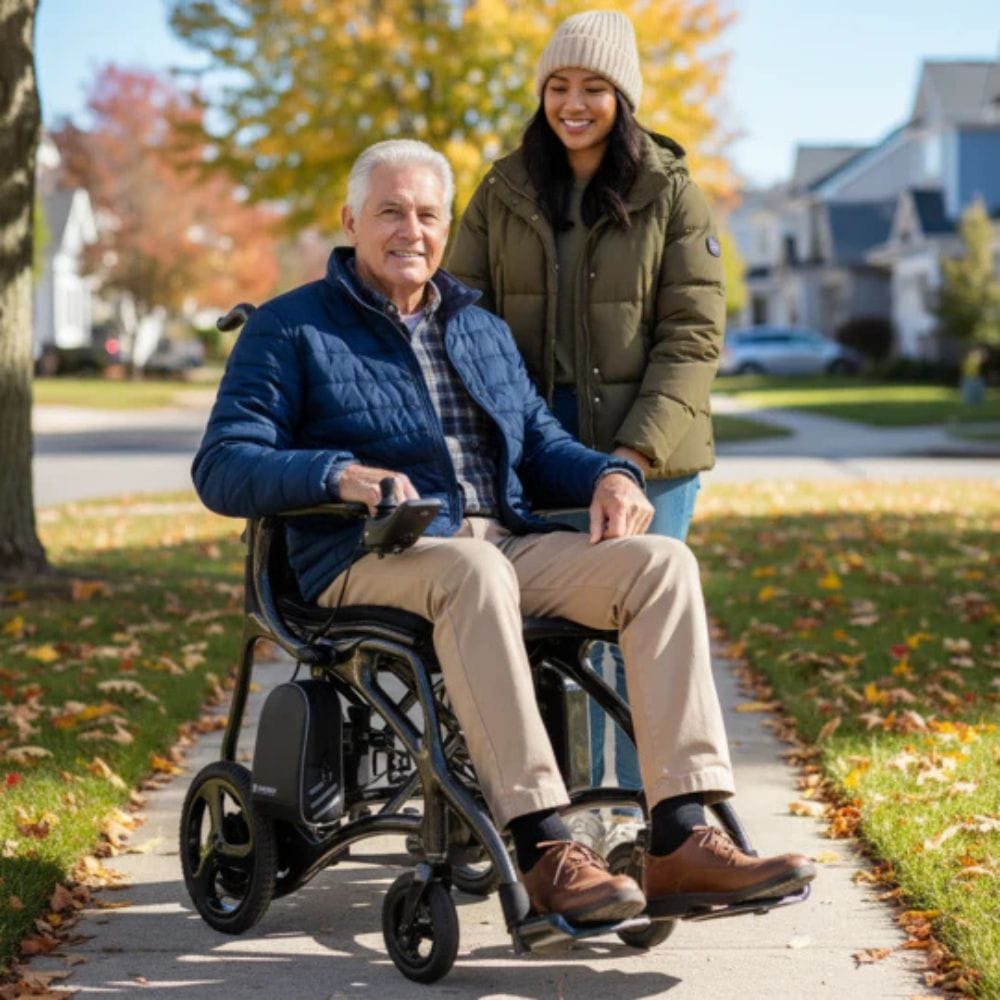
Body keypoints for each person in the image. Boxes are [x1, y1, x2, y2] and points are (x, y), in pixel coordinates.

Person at [192, 139, 814, 925]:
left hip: (502, 545)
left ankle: (682, 837)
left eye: (426, 215)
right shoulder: (289, 328)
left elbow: (538, 445)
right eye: (389, 212)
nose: (409, 231)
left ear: (446, 228)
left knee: (660, 565)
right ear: (350, 220)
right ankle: (545, 846)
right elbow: (222, 464)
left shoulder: (476, 326)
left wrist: (609, 475)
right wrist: (336, 475)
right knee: (472, 572)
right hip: (365, 555)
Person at [447, 9, 725, 796]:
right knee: (551, 643)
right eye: (559, 86)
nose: (573, 103)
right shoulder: (502, 191)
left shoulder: (671, 194)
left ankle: (650, 811)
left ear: (622, 98)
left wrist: (632, 460)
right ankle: (570, 816)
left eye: (594, 88)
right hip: (538, 449)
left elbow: (691, 341)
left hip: (650, 450)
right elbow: (458, 318)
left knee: (640, 639)